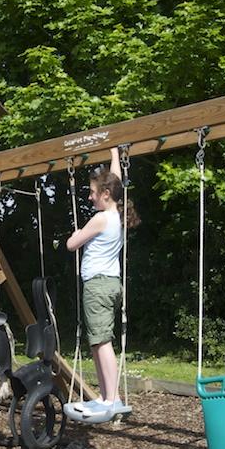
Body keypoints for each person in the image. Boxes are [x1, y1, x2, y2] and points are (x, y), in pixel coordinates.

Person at [65, 146, 140, 419]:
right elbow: (116, 181)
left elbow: (71, 245)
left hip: (97, 285)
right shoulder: (117, 213)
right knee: (99, 340)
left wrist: (76, 233)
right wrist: (113, 154)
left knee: (101, 342)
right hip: (111, 283)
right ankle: (111, 396)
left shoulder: (100, 218)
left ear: (106, 195)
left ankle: (109, 399)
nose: (89, 196)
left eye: (92, 193)